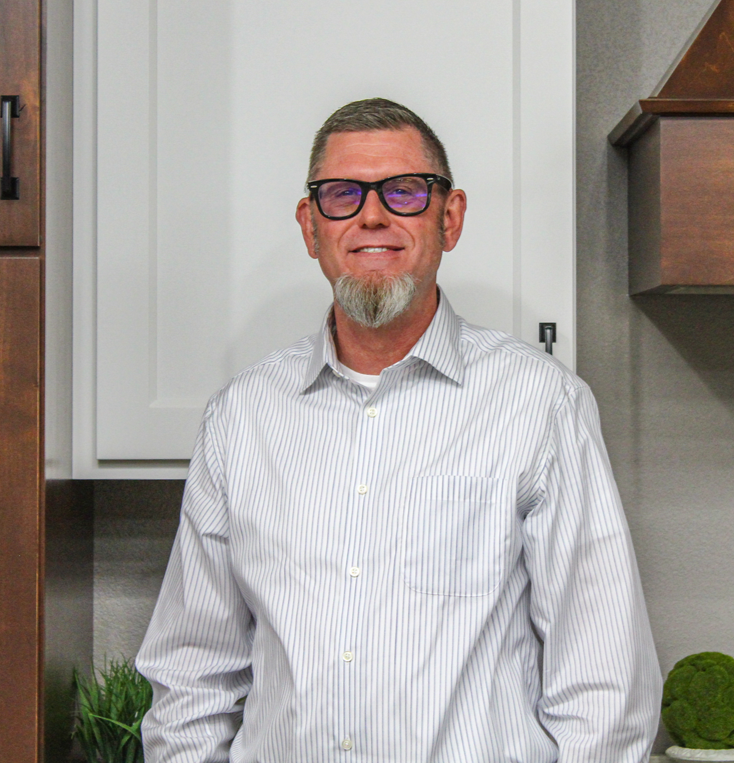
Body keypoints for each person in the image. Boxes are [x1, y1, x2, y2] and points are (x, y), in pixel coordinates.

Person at [137, 98, 662, 762]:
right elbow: (191, 675)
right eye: (341, 194)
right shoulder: (241, 419)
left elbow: (602, 683)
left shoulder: (538, 404)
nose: (372, 215)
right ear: (310, 225)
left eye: (405, 191)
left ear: (450, 216)